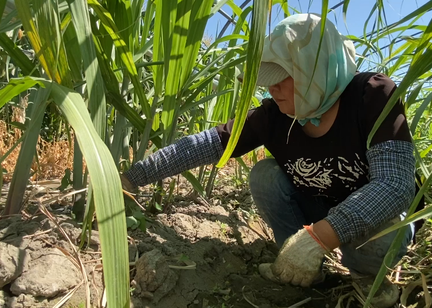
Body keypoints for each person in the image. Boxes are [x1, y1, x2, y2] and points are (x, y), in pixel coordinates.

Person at [121, 13, 416, 308]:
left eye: (281, 77)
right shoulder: (275, 115)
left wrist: (319, 238)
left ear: (314, 67)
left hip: (375, 219)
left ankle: (366, 276)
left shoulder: (371, 95)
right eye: (267, 80)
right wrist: (130, 179)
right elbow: (201, 146)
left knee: (389, 230)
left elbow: (395, 185)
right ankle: (295, 265)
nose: (271, 89)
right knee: (265, 175)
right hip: (319, 205)